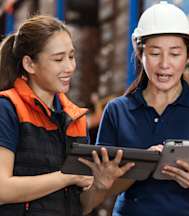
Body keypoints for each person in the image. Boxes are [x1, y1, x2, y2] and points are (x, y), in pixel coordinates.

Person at [96, 2, 189, 216]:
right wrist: (142, 165)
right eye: (155, 53)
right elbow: (102, 190)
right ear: (140, 54)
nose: (164, 64)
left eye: (175, 54)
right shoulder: (117, 111)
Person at [0, 15, 134, 216]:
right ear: (29, 64)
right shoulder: (8, 109)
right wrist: (65, 177)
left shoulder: (75, 119)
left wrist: (100, 186)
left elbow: (81, 205)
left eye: (71, 56)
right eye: (58, 59)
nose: (69, 67)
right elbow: (2, 190)